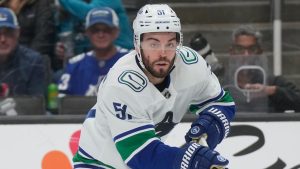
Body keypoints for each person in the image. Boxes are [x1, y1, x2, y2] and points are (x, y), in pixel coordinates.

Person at [73, 4, 235, 169]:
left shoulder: (191, 65)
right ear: (138, 44)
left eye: (170, 44)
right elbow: (142, 155)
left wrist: (211, 122)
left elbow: (221, 102)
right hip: (99, 163)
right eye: (154, 44)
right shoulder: (121, 85)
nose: (163, 53)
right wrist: (192, 160)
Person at [226, 24, 300, 112]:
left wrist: (272, 91)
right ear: (231, 52)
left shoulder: (273, 82)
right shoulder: (219, 85)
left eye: (252, 49)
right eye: (240, 49)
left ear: (259, 52)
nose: (246, 55)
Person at [58, 7, 128, 96]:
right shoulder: (75, 65)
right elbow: (63, 103)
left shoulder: (131, 61)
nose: (101, 35)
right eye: (95, 30)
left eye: (106, 30)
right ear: (87, 33)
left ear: (116, 32)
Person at [0, 7, 47, 96]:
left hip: (21, 110)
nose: (3, 39)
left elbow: (36, 103)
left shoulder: (33, 61)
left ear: (18, 33)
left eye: (8, 33)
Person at [0, 0, 56, 71]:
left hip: (31, 63)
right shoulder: (3, 4)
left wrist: (26, 61)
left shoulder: (41, 4)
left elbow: (44, 39)